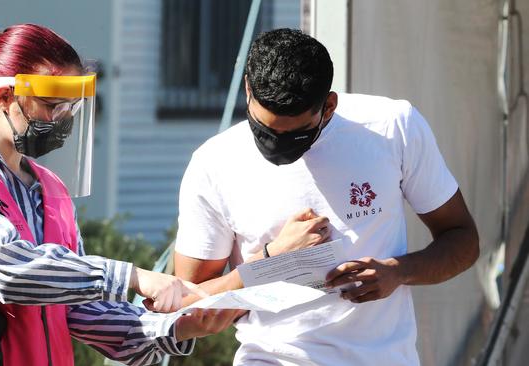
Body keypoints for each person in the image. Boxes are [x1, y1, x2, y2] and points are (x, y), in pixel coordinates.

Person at [0, 19, 236, 366]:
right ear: (3, 96)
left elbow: (79, 309)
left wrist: (176, 328)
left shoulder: (47, 186)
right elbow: (5, 268)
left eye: (71, 108)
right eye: (53, 106)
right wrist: (131, 276)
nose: (63, 120)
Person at [173, 28, 480, 365]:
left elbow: (462, 240)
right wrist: (273, 259)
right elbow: (188, 308)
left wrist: (398, 271)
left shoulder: (391, 127)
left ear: (329, 106)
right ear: (248, 88)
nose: (275, 146)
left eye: (297, 135)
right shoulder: (214, 163)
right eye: (263, 131)